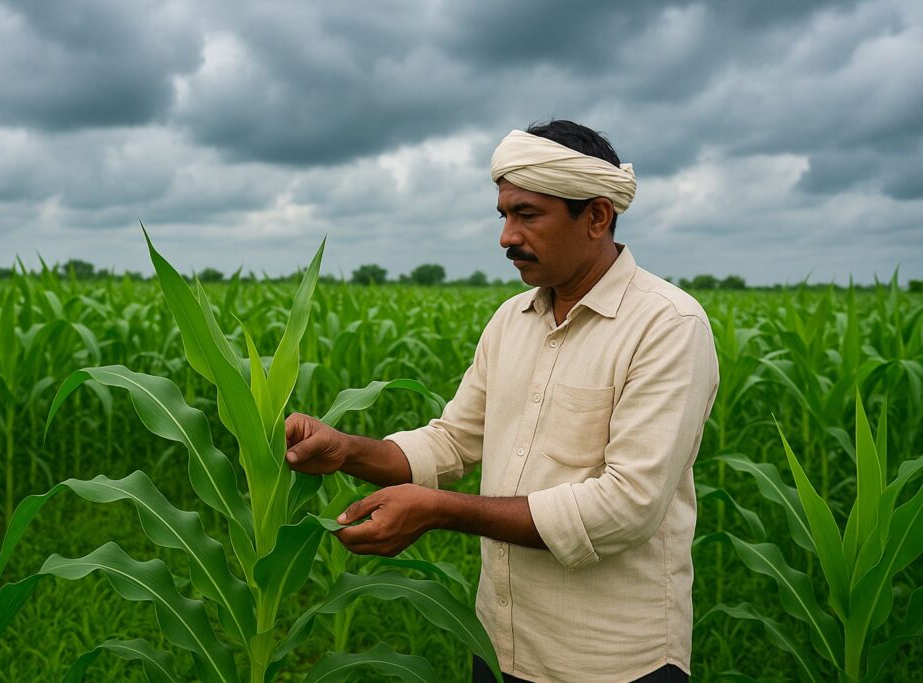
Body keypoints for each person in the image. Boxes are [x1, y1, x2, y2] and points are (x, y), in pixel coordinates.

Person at [284, 120, 719, 683]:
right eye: (504, 216)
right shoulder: (511, 321)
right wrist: (346, 450)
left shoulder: (667, 325)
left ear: (596, 217)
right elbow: (452, 443)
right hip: (501, 646)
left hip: (614, 661)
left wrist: (440, 510)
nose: (507, 237)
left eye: (527, 215)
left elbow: (626, 507)